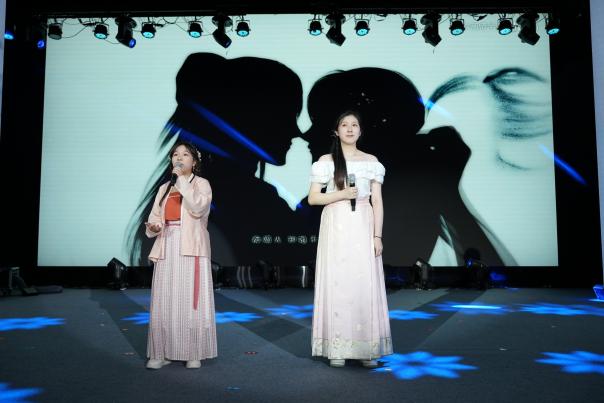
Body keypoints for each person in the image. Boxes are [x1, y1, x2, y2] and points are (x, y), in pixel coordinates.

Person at [308, 111, 392, 368]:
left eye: (354, 125)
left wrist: (377, 235)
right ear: (336, 131)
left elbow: (377, 201)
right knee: (338, 284)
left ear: (360, 131)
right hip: (336, 224)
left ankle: (367, 348)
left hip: (363, 224)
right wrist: (342, 194)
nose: (350, 129)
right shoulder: (326, 161)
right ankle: (337, 347)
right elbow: (313, 198)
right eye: (344, 125)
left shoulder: (371, 162)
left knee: (363, 283)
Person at [144, 141, 217, 369]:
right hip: (167, 243)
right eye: (175, 154)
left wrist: (182, 180)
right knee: (164, 298)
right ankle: (160, 352)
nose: (179, 158)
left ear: (194, 162)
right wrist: (154, 226)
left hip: (192, 246)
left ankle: (193, 352)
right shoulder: (165, 188)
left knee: (190, 299)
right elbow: (155, 216)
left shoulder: (201, 184)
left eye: (185, 155)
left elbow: (198, 207)